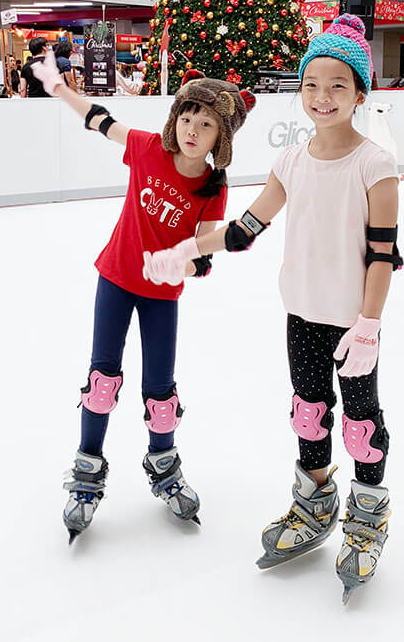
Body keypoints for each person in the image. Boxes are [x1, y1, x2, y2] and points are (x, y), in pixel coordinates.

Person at [143, 15, 402, 604]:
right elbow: (243, 230)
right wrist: (187, 249)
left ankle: (367, 520)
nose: (323, 97)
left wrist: (368, 326)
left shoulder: (375, 164)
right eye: (312, 84)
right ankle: (314, 505)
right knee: (309, 416)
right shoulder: (291, 162)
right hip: (302, 315)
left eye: (338, 85)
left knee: (362, 428)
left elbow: (383, 255)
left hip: (352, 323)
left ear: (360, 92)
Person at [30, 54, 254, 540]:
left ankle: (164, 464)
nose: (193, 130)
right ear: (176, 119)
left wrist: (180, 263)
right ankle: (87, 471)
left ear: (222, 137)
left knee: (161, 390)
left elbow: (207, 251)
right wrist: (60, 88)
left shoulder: (213, 186)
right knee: (102, 377)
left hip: (161, 296)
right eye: (188, 118)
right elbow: (101, 121)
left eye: (207, 124)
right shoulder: (149, 148)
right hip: (115, 277)